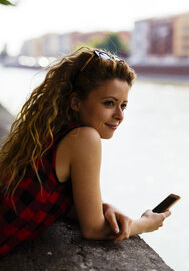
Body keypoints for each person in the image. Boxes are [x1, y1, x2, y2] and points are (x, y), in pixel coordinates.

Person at [0, 47, 170, 257]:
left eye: (123, 106)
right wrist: (144, 224)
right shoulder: (84, 138)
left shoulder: (51, 132)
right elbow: (94, 229)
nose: (119, 115)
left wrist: (101, 207)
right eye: (109, 103)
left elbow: (49, 198)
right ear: (76, 102)